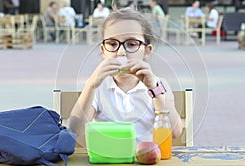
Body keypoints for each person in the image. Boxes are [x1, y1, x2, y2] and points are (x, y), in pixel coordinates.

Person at [69, 7, 183, 145]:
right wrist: (91, 84)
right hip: (108, 161)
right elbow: (75, 130)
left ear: (147, 51)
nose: (121, 52)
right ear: (103, 50)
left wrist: (154, 88)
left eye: (131, 44)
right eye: (112, 44)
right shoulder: (97, 87)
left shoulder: (159, 85)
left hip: (146, 162)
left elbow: (176, 132)